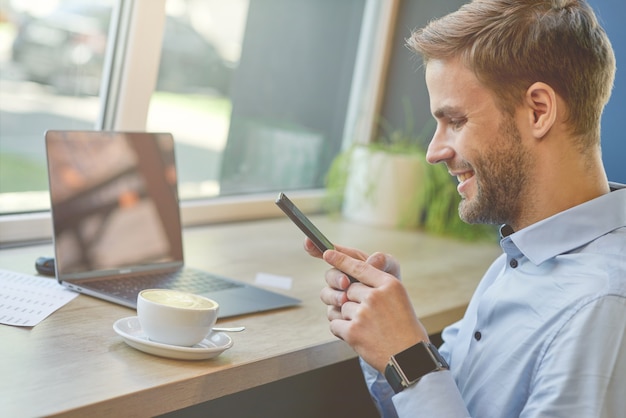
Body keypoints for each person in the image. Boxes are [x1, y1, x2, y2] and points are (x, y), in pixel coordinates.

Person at [304, 1, 626, 416]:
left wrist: (408, 356)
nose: (433, 151)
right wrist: (389, 335)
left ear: (539, 111)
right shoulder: (518, 259)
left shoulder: (601, 304)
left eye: (454, 120)